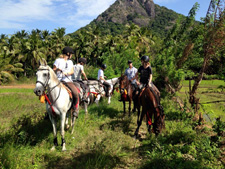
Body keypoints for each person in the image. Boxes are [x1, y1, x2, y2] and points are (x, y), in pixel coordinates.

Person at [53, 46, 80, 117]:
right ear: (68, 53)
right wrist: (57, 69)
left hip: (68, 81)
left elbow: (72, 71)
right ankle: (49, 110)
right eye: (71, 54)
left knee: (76, 93)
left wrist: (67, 73)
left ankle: (74, 109)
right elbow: (53, 70)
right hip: (58, 80)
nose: (71, 55)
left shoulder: (70, 62)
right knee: (48, 93)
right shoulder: (58, 60)